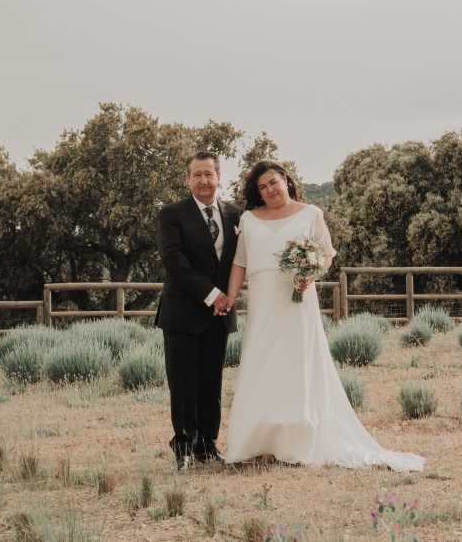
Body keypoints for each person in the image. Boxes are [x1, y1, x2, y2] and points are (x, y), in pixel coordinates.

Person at [223, 160, 424, 472]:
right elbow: (239, 262)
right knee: (262, 359)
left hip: (298, 297)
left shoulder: (311, 214)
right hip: (263, 298)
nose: (269, 190)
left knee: (297, 360)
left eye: (273, 182)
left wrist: (310, 274)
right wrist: (232, 295)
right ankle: (257, 440)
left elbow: (327, 255)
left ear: (286, 179)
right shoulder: (249, 218)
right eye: (262, 187)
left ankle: (297, 439)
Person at [156, 151, 241, 468]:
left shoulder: (235, 215)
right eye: (197, 175)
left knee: (211, 384)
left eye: (209, 174)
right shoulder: (172, 214)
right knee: (182, 384)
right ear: (188, 179)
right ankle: (183, 449)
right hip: (182, 314)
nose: (204, 180)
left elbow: (239, 261)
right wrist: (211, 294)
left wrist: (227, 298)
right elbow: (173, 260)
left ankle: (207, 445)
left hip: (219, 318)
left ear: (219, 177)